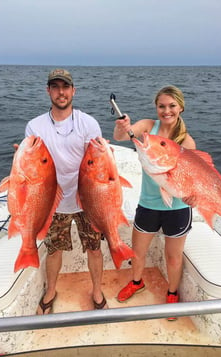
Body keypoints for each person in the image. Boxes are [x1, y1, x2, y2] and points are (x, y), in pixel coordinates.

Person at [25, 68, 107, 314]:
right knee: (54, 249)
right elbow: (29, 166)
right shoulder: (35, 126)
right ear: (48, 90)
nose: (61, 92)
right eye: (56, 87)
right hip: (52, 200)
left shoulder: (88, 122)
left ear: (73, 91)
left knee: (94, 247)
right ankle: (51, 291)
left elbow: (98, 163)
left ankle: (97, 290)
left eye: (65, 87)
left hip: (86, 200)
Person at [113, 85, 196, 320]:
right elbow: (121, 136)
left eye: (171, 106)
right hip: (148, 204)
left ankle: (171, 293)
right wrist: (122, 127)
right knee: (137, 251)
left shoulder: (187, 142)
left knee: (173, 256)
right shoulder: (149, 127)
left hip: (177, 208)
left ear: (180, 107)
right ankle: (136, 282)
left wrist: (192, 195)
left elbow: (191, 179)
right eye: (161, 106)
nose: (166, 110)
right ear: (156, 108)